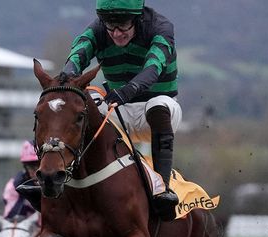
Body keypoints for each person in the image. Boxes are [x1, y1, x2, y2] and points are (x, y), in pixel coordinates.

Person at [27, 0, 181, 221]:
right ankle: (55, 178)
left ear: (137, 18)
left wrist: (127, 91)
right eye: (110, 26)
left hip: (156, 108)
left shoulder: (160, 28)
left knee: (158, 107)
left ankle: (163, 188)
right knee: (75, 104)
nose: (116, 33)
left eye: (123, 26)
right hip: (117, 109)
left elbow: (153, 67)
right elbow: (78, 54)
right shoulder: (98, 29)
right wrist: (67, 77)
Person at [3, 140, 41, 220]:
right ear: (25, 167)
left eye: (41, 165)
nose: (37, 172)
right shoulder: (14, 186)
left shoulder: (63, 185)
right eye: (32, 167)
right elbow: (11, 220)